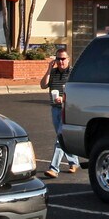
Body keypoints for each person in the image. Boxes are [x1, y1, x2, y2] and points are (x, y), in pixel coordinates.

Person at [42, 47, 78, 177]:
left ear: (68, 59)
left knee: (60, 138)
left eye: (63, 59)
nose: (60, 61)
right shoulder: (53, 72)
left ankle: (54, 168)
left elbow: (77, 93)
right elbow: (43, 85)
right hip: (55, 109)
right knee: (63, 137)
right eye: (58, 59)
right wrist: (48, 69)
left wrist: (63, 99)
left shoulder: (73, 73)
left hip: (67, 109)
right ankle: (74, 162)